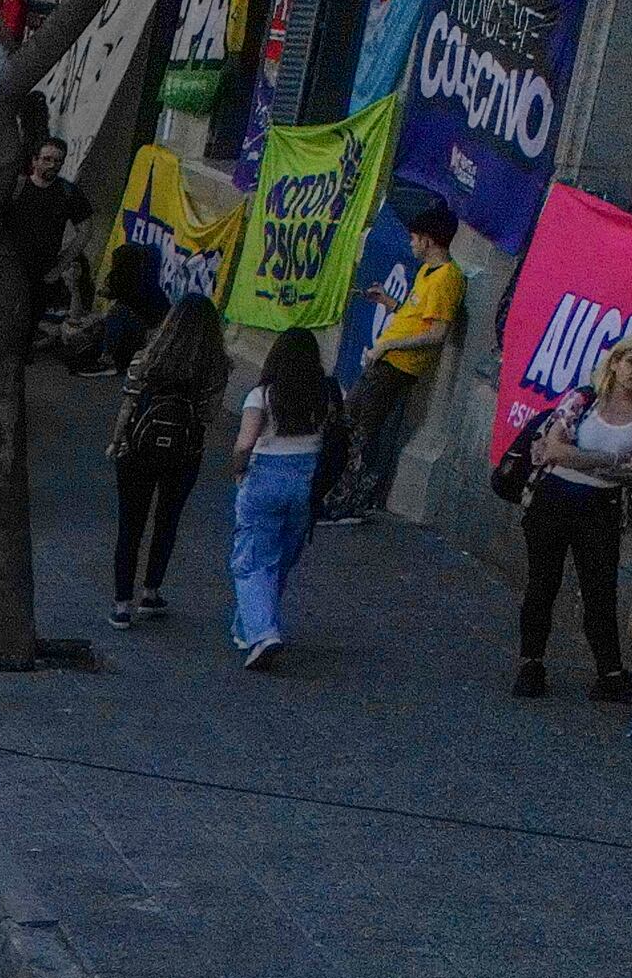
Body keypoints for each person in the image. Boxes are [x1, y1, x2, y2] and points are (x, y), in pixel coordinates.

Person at [512, 332, 632, 706]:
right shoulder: (584, 399)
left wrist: (584, 456)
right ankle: (531, 663)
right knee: (542, 584)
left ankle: (610, 674)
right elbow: (555, 451)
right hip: (554, 498)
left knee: (599, 591)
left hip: (602, 507)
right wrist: (611, 461)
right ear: (615, 362)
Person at [98, 291, 228, 631]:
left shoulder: (146, 358)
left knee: (130, 526)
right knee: (167, 521)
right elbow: (208, 414)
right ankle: (151, 591)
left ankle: (121, 604)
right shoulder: (214, 369)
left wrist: (117, 442)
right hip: (185, 454)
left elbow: (127, 405)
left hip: (138, 450)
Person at [334, 201, 462, 523]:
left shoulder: (447, 279)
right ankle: (339, 493)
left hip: (397, 366)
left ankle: (352, 502)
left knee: (364, 431)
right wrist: (390, 304)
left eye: (415, 238)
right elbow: (416, 315)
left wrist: (389, 345)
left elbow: (436, 333)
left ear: (429, 240)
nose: (411, 244)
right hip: (386, 358)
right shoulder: (425, 272)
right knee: (350, 421)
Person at [226, 328, 334, 673]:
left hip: (265, 477)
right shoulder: (326, 394)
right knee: (281, 559)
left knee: (252, 560)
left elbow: (245, 444)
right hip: (306, 481)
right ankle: (248, 628)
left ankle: (263, 633)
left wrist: (238, 473)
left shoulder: (262, 395)